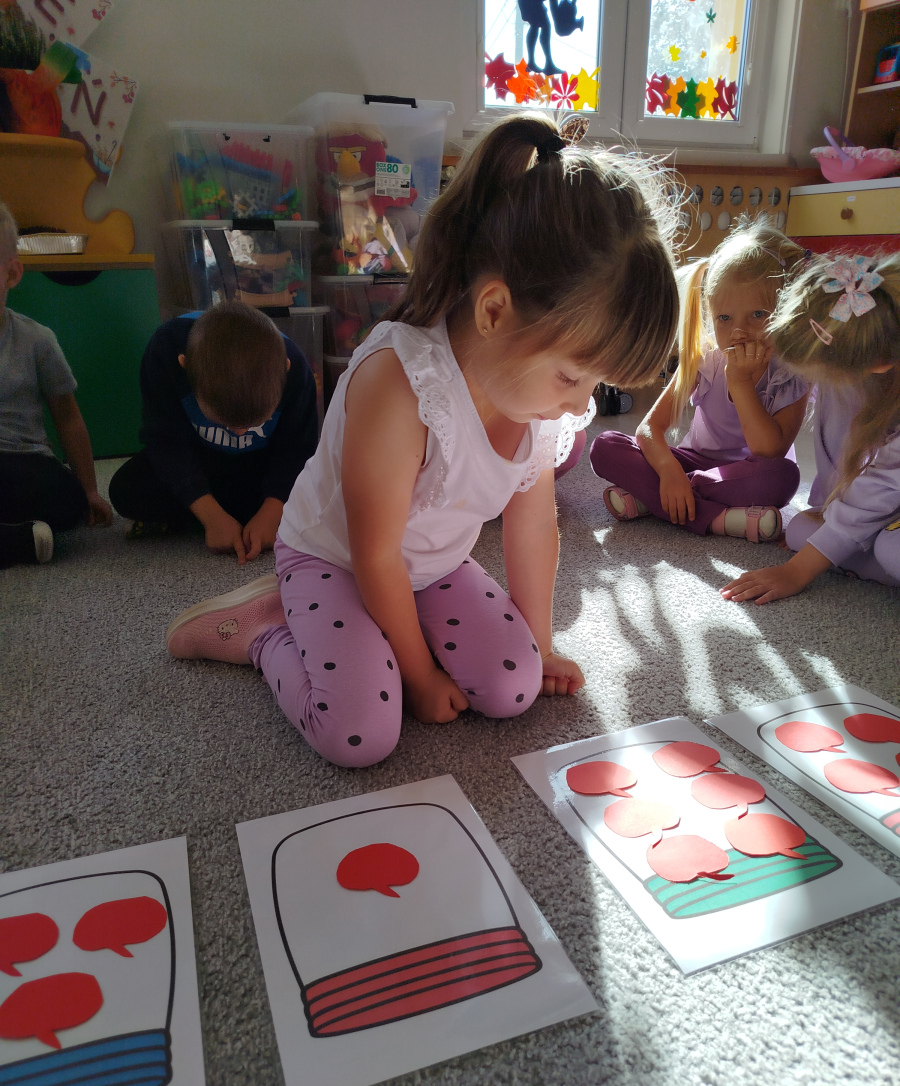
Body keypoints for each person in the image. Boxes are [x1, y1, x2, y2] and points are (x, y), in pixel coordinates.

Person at [164, 114, 680, 768]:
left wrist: (541, 644)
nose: (583, 406)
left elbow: (532, 526)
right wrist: (418, 674)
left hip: (430, 568)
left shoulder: (539, 403)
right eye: (573, 377)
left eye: (596, 385)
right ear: (493, 312)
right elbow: (374, 554)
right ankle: (267, 632)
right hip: (336, 559)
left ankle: (376, 638)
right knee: (360, 733)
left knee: (514, 687)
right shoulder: (401, 384)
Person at [589, 217, 810, 543]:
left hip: (746, 473)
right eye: (724, 318)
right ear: (711, 316)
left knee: (784, 477)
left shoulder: (792, 373)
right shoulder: (704, 358)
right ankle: (718, 519)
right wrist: (669, 472)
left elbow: (769, 451)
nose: (739, 331)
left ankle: (655, 499)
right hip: (693, 461)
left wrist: (740, 382)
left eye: (758, 315)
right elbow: (650, 429)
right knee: (605, 446)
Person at [721, 251, 899, 603]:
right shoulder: (868, 354)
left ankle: (859, 553)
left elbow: (881, 487)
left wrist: (797, 571)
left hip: (887, 510)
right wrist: (828, 521)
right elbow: (841, 458)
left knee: (890, 551)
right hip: (886, 507)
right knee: (802, 530)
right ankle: (853, 548)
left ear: (879, 364)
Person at [109, 301, 318, 563]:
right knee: (126, 489)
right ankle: (224, 519)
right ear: (185, 366)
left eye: (255, 422)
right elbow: (165, 442)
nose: (240, 433)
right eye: (225, 421)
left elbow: (297, 451)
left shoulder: (297, 369)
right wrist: (211, 516)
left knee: (328, 494)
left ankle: (216, 520)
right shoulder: (165, 350)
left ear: (285, 370)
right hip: (199, 460)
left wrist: (272, 512)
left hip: (261, 466)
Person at [0, 201, 112, 568]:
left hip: (23, 462)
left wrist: (90, 490)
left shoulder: (36, 340)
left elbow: (67, 417)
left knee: (66, 501)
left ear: (11, 274)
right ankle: (19, 542)